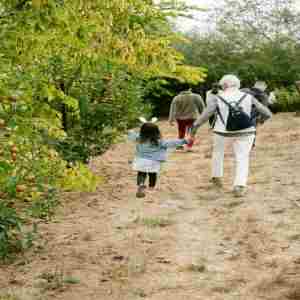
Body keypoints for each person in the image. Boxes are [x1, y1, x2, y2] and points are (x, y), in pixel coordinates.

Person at [190, 74, 272, 197]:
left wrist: (194, 128)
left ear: (224, 85)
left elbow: (205, 115)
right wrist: (260, 121)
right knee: (242, 158)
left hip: (222, 132)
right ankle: (239, 186)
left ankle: (217, 179)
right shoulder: (248, 96)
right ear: (238, 85)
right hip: (246, 131)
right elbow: (267, 113)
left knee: (218, 153)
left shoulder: (217, 97)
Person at [128, 118, 190, 198]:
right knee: (152, 174)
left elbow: (131, 135)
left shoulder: (139, 139)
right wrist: (183, 141)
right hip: (153, 162)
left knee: (141, 173)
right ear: (156, 132)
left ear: (142, 131)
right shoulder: (159, 141)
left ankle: (141, 184)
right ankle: (151, 188)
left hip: (141, 161)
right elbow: (171, 143)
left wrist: (129, 131)